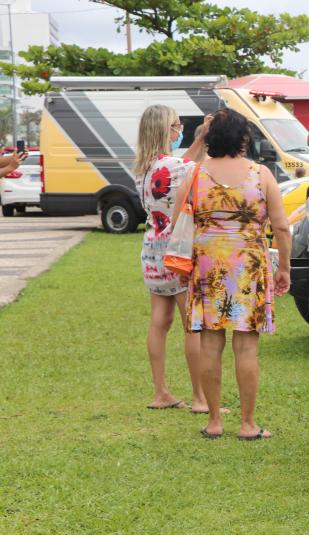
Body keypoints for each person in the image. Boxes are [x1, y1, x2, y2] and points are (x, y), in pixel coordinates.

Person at [172, 108, 291, 440]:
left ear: (210, 138)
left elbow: (177, 222)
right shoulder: (261, 174)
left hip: (206, 265)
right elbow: (282, 227)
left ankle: (214, 421)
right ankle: (248, 424)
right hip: (248, 266)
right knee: (246, 347)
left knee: (210, 344)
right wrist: (284, 267)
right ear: (244, 138)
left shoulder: (195, 174)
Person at [133, 105, 209, 411]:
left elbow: (182, 163)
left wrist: (200, 138)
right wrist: (205, 139)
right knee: (192, 326)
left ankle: (160, 392)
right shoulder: (178, 167)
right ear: (166, 129)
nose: (181, 130)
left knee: (159, 322)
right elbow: (192, 168)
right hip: (178, 251)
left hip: (152, 251)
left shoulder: (143, 168)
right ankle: (201, 398)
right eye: (177, 125)